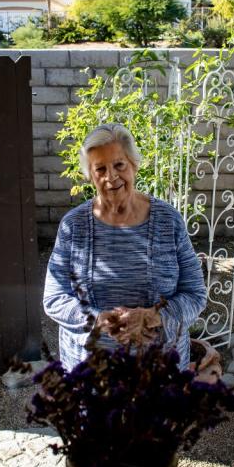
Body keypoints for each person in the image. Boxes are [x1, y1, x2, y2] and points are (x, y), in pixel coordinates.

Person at [43, 123, 207, 371]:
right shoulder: (74, 226)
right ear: (89, 175)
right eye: (100, 169)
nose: (111, 177)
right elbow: (54, 298)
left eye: (119, 165)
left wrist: (155, 316)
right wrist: (97, 319)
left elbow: (195, 293)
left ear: (133, 165)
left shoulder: (168, 220)